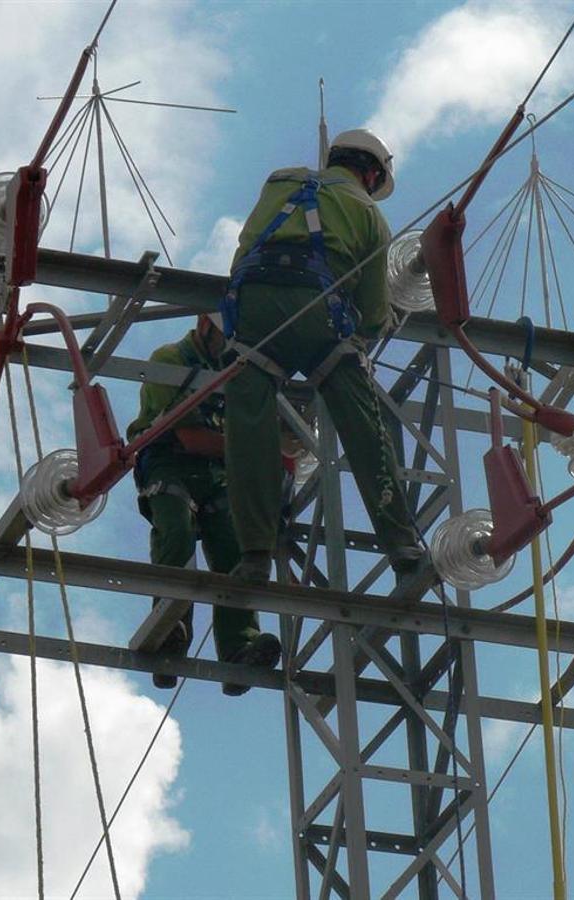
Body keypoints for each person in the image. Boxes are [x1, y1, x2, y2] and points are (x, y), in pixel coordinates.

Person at [222, 128, 426, 586]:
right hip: (318, 314)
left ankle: (254, 553)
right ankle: (402, 545)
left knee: (247, 424)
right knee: (363, 425)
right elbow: (372, 315)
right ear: (371, 174)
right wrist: (381, 323)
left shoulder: (279, 182)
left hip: (252, 308)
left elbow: (247, 245)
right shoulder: (369, 215)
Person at [126, 312, 281, 693]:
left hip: (217, 470)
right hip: (169, 461)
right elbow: (191, 437)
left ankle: (239, 646)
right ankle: (169, 631)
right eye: (225, 334)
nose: (230, 344)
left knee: (235, 547)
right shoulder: (170, 361)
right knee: (176, 528)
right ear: (204, 325)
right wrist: (261, 450)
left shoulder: (238, 367)